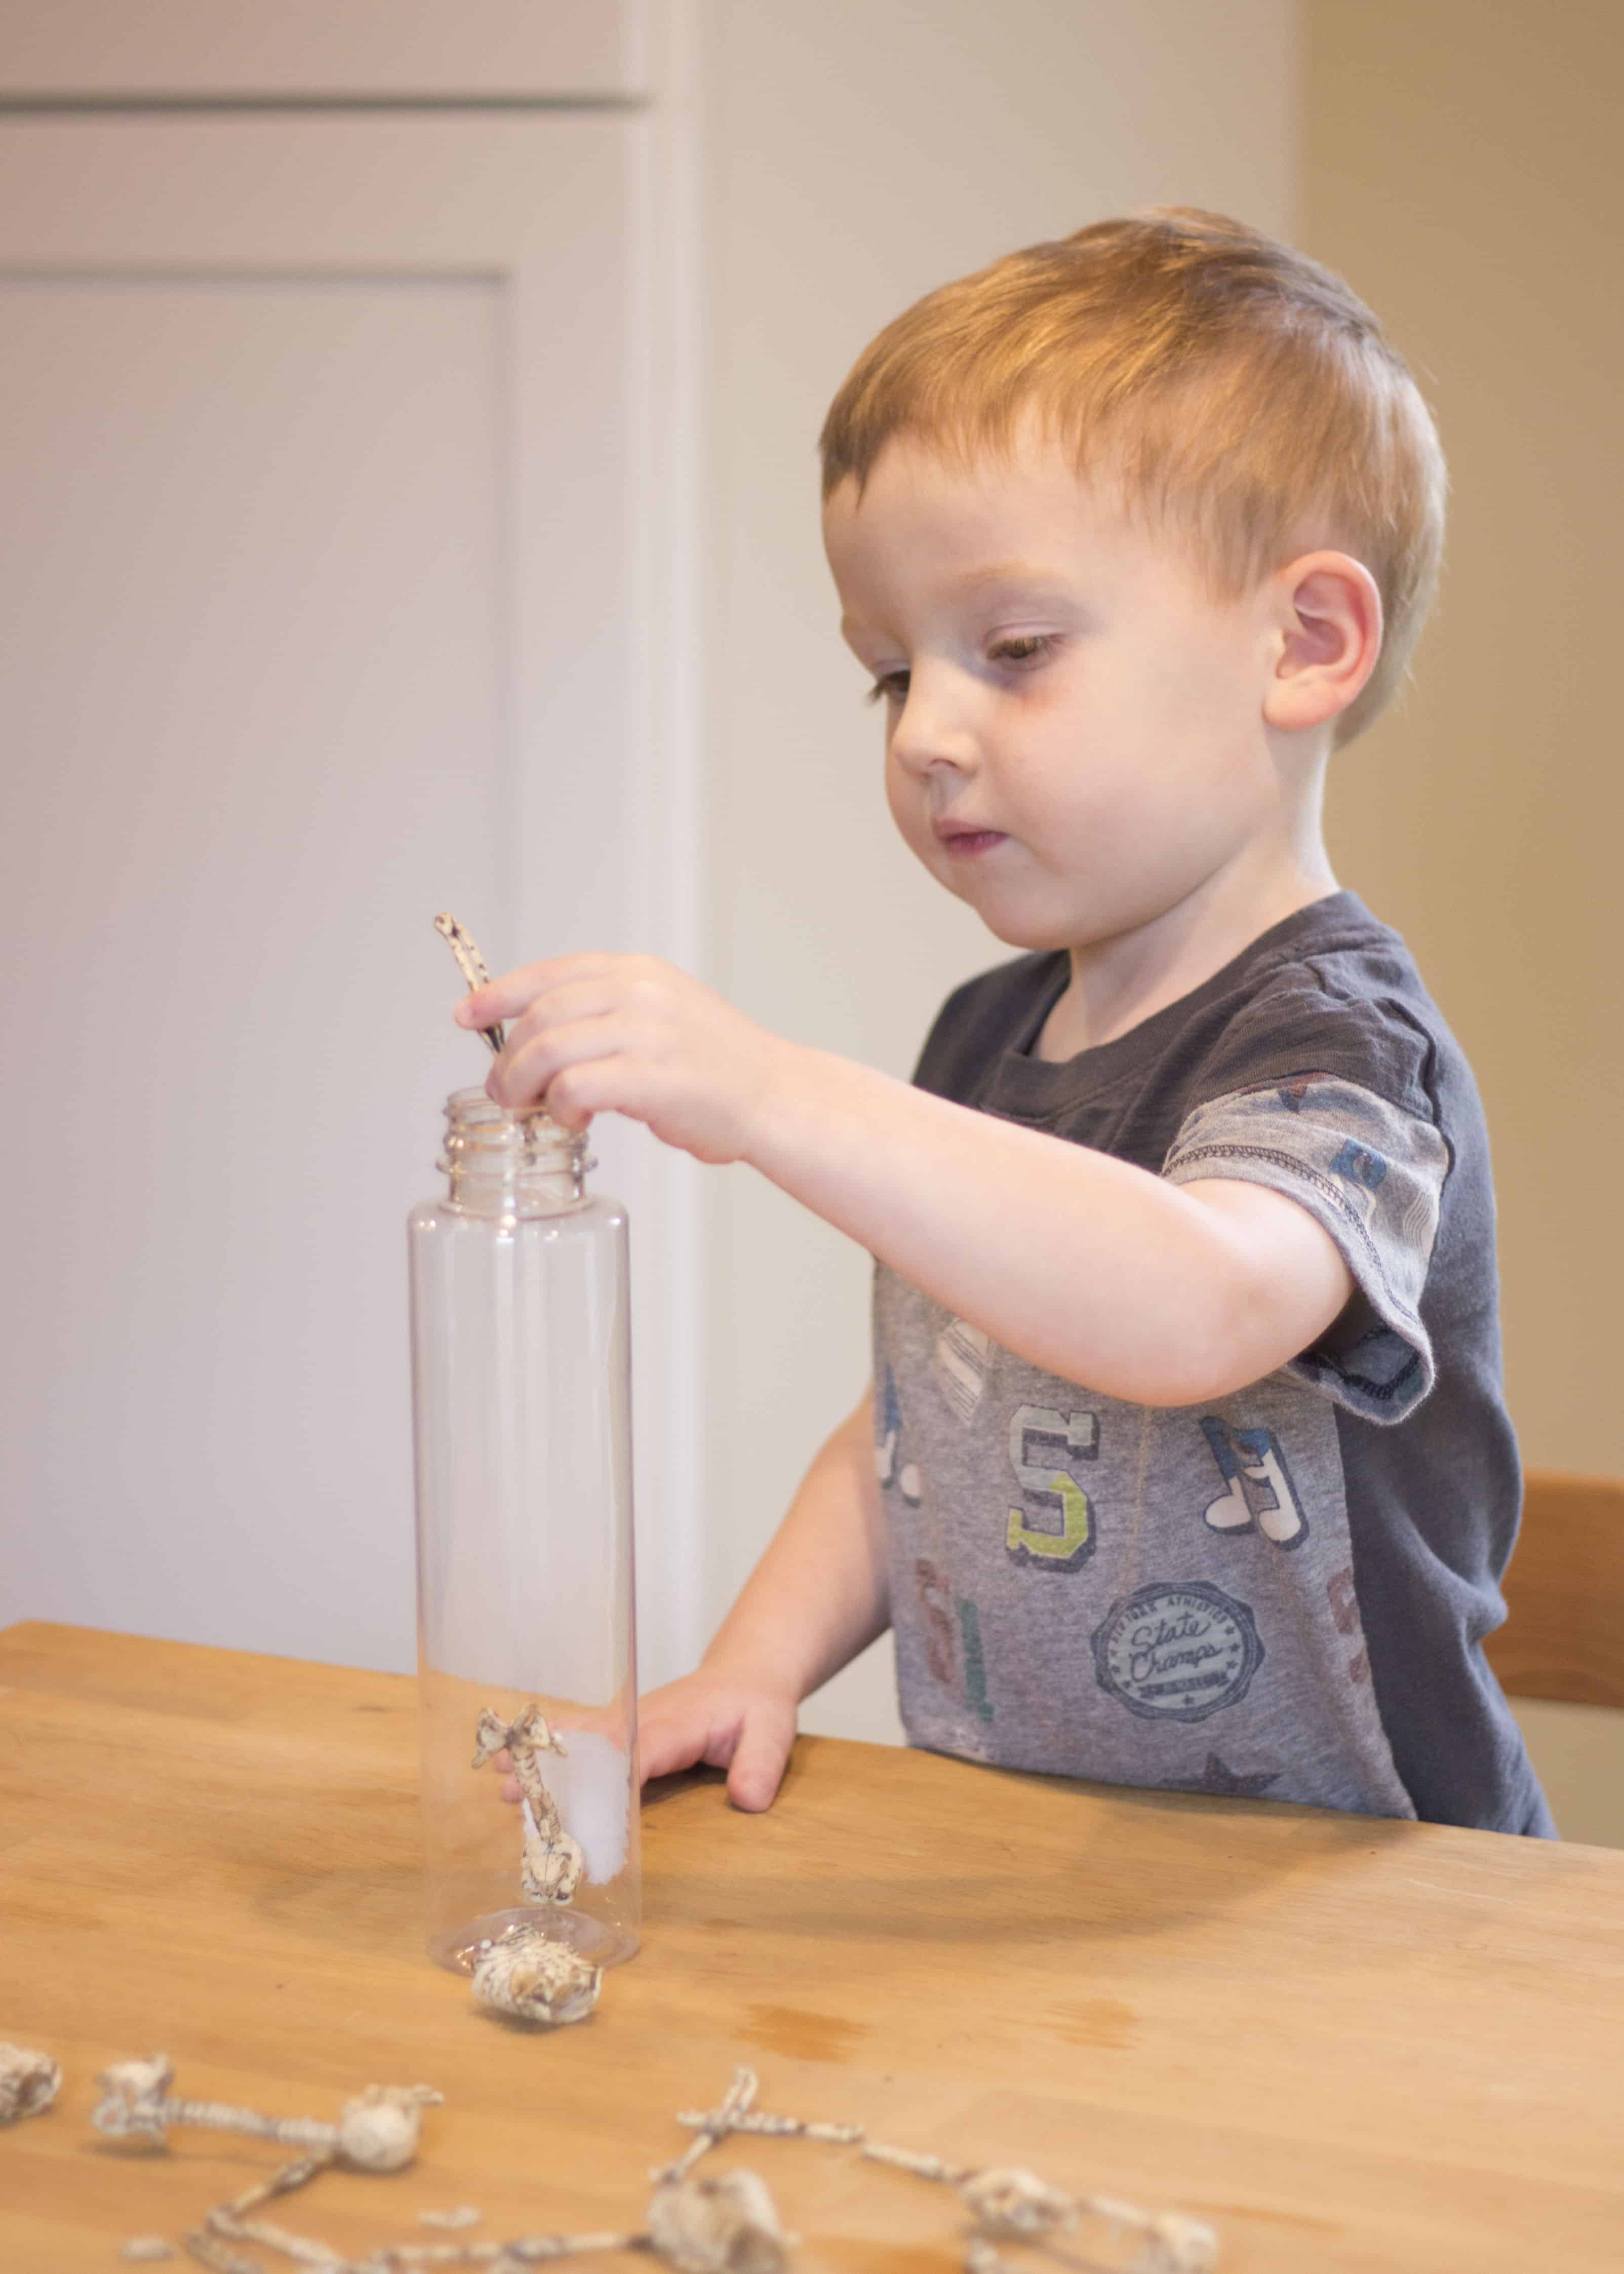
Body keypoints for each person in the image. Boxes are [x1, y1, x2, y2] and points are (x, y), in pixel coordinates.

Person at [460, 209, 1551, 1836]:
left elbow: (1198, 1301)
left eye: (1016, 652)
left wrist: (773, 1091)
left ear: (1304, 642)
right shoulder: (988, 1032)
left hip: (1368, 1906)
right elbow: (921, 1431)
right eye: (892, 674)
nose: (928, 735)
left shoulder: (1339, 1041)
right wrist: (755, 1663)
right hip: (1057, 1883)